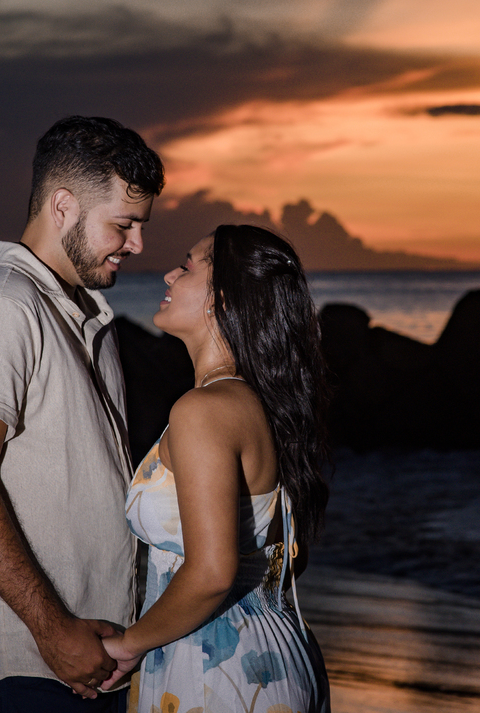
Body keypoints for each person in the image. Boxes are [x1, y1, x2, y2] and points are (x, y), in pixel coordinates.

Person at [0, 115, 165, 711]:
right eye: (124, 224)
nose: (137, 245)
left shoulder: (83, 315)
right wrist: (53, 629)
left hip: (92, 657)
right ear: (63, 206)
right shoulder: (7, 307)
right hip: (29, 664)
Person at [101, 224, 332, 713]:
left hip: (217, 667)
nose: (169, 273)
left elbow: (211, 573)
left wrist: (128, 646)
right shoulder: (267, 403)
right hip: (278, 652)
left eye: (187, 266)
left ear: (222, 300)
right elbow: (289, 554)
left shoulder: (203, 410)